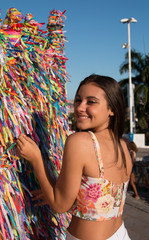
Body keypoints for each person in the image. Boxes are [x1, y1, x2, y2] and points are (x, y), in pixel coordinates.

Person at [17, 74, 132, 240]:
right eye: (78, 100)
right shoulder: (123, 145)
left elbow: (59, 205)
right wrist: (53, 187)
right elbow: (100, 202)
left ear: (112, 109)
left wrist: (36, 158)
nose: (79, 107)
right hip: (120, 234)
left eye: (91, 102)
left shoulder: (80, 142)